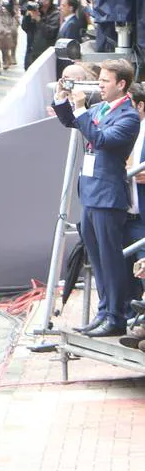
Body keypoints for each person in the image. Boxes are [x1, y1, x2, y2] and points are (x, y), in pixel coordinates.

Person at [53, 58, 140, 337]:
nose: (99, 85)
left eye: (105, 81)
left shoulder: (127, 116)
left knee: (111, 258)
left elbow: (101, 140)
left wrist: (80, 109)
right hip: (90, 193)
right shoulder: (102, 108)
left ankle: (116, 316)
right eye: (99, 80)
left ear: (121, 84)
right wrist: (62, 100)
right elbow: (74, 123)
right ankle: (103, 311)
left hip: (107, 195)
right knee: (97, 259)